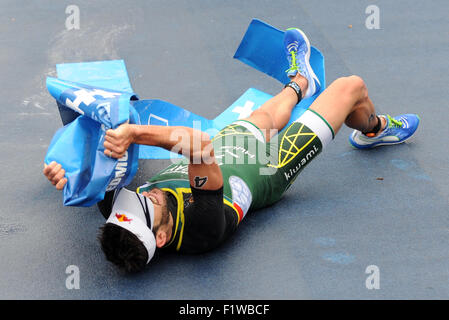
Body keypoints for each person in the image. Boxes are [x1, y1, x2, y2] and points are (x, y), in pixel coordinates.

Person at [43, 28, 420, 273]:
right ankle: (374, 129)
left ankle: (302, 82)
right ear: (160, 237)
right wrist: (135, 133)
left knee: (269, 112)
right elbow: (199, 146)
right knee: (351, 87)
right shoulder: (202, 228)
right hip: (269, 168)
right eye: (145, 206)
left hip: (230, 147)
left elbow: (94, 167)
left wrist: (68, 172)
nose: (143, 195)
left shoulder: (119, 212)